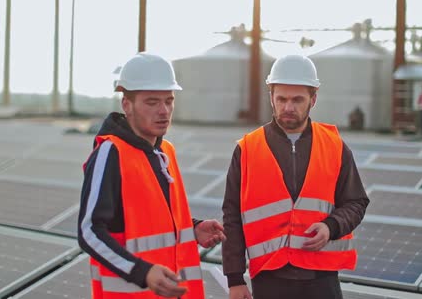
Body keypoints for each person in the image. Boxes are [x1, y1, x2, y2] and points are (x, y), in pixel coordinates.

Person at [78, 53, 226, 299]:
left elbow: (152, 220)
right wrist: (142, 272)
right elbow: (89, 230)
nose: (163, 111)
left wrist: (193, 228)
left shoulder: (165, 151)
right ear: (127, 105)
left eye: (169, 101)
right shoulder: (110, 152)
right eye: (152, 102)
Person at [221, 55, 369, 299]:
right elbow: (232, 216)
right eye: (281, 99)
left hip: (322, 279)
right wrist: (235, 279)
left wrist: (331, 226)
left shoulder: (334, 146)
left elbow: (356, 202)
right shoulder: (247, 149)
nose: (288, 107)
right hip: (270, 279)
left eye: (297, 99)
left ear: (313, 99)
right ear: (271, 98)